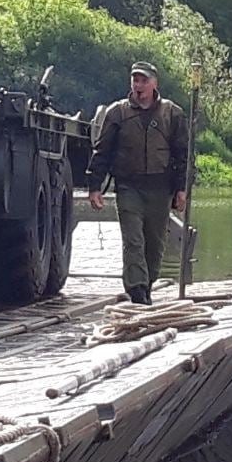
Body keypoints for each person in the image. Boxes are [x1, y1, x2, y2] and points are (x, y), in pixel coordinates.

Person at [86, 61, 189, 305]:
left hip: (160, 188)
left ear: (155, 83)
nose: (139, 85)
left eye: (144, 80)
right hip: (128, 187)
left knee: (154, 245)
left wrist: (182, 189)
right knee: (133, 240)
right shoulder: (117, 113)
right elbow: (102, 151)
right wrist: (94, 186)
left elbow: (183, 154)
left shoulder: (172, 113)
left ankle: (147, 284)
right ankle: (137, 290)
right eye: (135, 80)